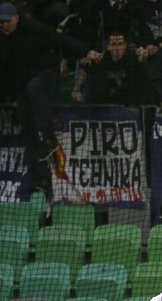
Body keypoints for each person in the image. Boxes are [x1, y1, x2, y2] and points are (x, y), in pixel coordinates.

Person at [0, 2, 102, 194]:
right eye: (0, 23)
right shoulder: (2, 40)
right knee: (25, 119)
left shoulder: (32, 28)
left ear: (16, 18)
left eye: (7, 21)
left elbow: (59, 40)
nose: (4, 26)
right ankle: (41, 179)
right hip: (23, 82)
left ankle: (49, 138)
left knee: (34, 88)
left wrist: (85, 50)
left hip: (47, 74)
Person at [71, 32, 151, 105]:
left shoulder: (132, 57)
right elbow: (85, 71)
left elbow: (142, 60)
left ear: (125, 46)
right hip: (106, 101)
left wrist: (144, 56)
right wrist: (76, 90)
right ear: (108, 47)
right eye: (113, 44)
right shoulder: (101, 59)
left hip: (130, 101)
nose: (117, 48)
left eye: (120, 44)